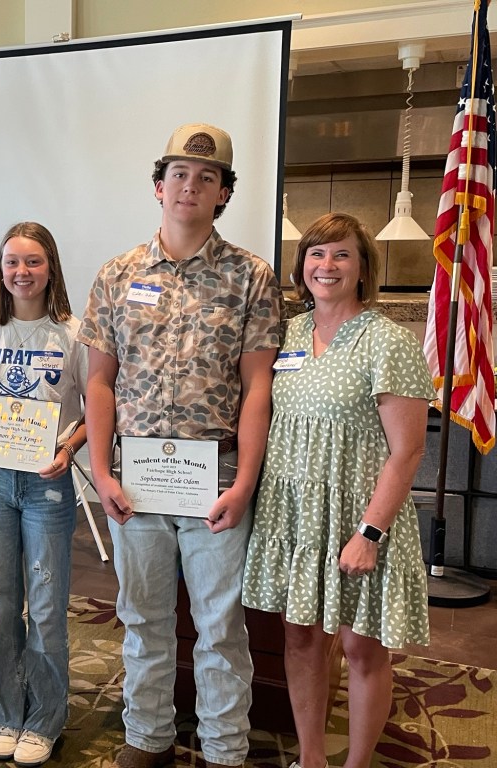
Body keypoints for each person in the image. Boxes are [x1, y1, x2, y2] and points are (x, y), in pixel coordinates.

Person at [78, 123, 282, 768]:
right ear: (158, 185)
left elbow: (257, 388)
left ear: (224, 193)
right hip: (136, 479)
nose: (191, 187)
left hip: (214, 477)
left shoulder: (251, 276)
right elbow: (100, 383)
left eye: (207, 177)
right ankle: (147, 737)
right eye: (180, 175)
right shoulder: (118, 274)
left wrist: (244, 480)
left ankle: (224, 749)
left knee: (221, 628)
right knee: (142, 618)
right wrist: (101, 470)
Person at [242, 213, 432, 768]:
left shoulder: (387, 341)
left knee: (360, 646)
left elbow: (408, 451)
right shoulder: (288, 334)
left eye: (342, 254)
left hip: (359, 515)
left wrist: (370, 532)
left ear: (363, 266)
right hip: (295, 517)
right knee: (300, 640)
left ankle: (356, 764)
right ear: (302, 267)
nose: (328, 266)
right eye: (317, 254)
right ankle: (312, 758)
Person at [0, 222, 88, 767]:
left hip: (46, 481)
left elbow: (98, 411)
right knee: (0, 598)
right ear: (0, 269)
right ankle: (7, 712)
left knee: (49, 603)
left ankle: (46, 718)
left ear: (51, 266)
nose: (21, 272)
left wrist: (70, 448)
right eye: (12, 262)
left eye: (32, 262)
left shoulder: (75, 334)